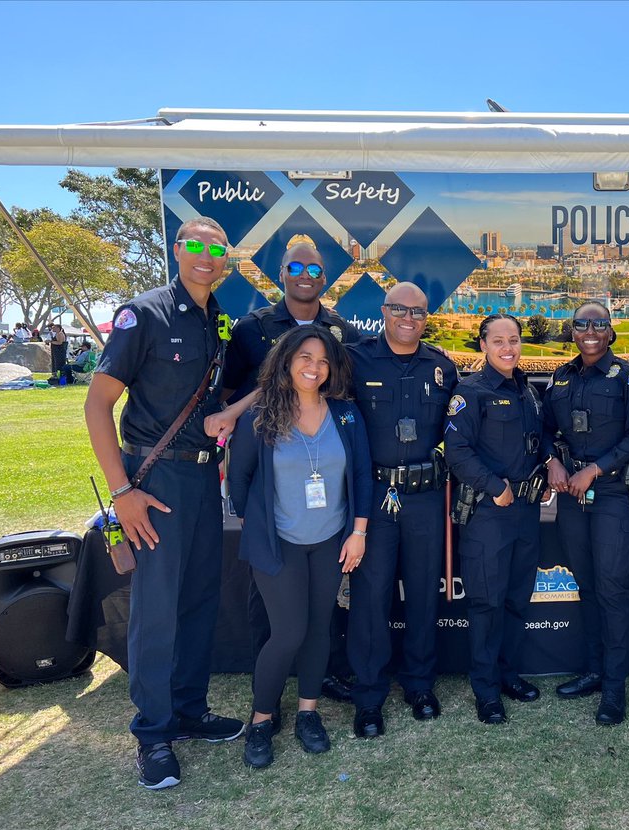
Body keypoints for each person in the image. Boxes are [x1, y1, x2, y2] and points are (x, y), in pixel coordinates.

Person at [85, 215, 244, 790]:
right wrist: (123, 491)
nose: (206, 255)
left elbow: (220, 399)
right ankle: (153, 735)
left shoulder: (219, 320)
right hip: (153, 482)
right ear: (177, 250)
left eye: (217, 247)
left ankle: (189, 710)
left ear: (227, 257)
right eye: (196, 245)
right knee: (155, 609)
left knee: (201, 598)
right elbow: (97, 404)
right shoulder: (144, 313)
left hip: (204, 481)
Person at [207, 240, 362, 711]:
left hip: (324, 510)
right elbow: (228, 394)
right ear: (280, 272)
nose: (305, 273)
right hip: (275, 509)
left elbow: (344, 397)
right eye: (295, 266)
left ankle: (316, 691)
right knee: (272, 616)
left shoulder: (339, 329)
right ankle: (266, 701)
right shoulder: (253, 329)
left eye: (314, 267)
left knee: (320, 618)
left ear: (325, 276)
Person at [227, 325, 373, 768]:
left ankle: (308, 713)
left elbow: (363, 475)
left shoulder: (345, 415)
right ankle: (261, 719)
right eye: (305, 357)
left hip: (331, 540)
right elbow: (240, 481)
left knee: (317, 630)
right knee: (288, 632)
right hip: (280, 544)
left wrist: (358, 532)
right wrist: (262, 525)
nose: (314, 367)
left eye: (323, 360)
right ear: (287, 361)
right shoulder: (262, 417)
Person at [346, 282, 458, 737]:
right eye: (399, 309)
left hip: (426, 497)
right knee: (371, 599)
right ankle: (369, 695)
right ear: (384, 311)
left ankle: (419, 684)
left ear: (426, 317)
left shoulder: (443, 367)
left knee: (422, 594)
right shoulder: (355, 360)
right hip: (374, 496)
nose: (408, 318)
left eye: (417, 311)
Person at [542, 301, 629, 726]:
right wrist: (552, 459)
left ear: (610, 332)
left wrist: (594, 468)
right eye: (581, 323)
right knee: (586, 586)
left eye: (598, 324)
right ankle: (591, 670)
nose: (589, 330)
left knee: (612, 589)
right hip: (572, 496)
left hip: (613, 495)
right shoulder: (561, 377)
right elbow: (546, 428)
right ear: (573, 331)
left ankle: (613, 688)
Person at [444, 314, 547, 724]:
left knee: (515, 600)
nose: (509, 348)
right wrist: (495, 487)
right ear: (482, 345)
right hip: (489, 513)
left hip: (526, 512)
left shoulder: (528, 391)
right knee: (487, 604)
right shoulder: (470, 391)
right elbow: (457, 452)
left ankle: (509, 676)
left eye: (515, 340)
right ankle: (486, 691)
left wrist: (550, 463)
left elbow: (538, 442)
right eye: (499, 340)